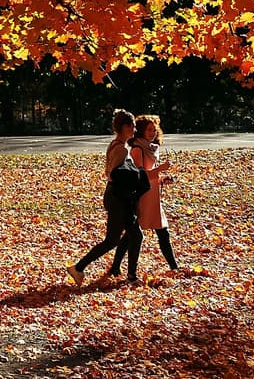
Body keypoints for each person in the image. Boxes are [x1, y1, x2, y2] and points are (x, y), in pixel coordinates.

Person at [66, 108, 143, 285]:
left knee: (132, 235)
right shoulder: (122, 149)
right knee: (114, 240)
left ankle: (129, 275)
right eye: (131, 126)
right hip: (118, 197)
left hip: (115, 195)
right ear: (123, 127)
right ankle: (78, 268)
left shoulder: (115, 144)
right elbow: (114, 173)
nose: (133, 129)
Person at [108, 114, 177, 274]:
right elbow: (140, 176)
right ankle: (116, 267)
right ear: (141, 131)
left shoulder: (151, 148)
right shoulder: (138, 149)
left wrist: (162, 178)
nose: (153, 133)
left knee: (162, 231)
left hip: (153, 196)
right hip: (143, 197)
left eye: (154, 129)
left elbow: (151, 176)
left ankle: (174, 267)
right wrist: (160, 170)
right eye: (149, 130)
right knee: (132, 234)